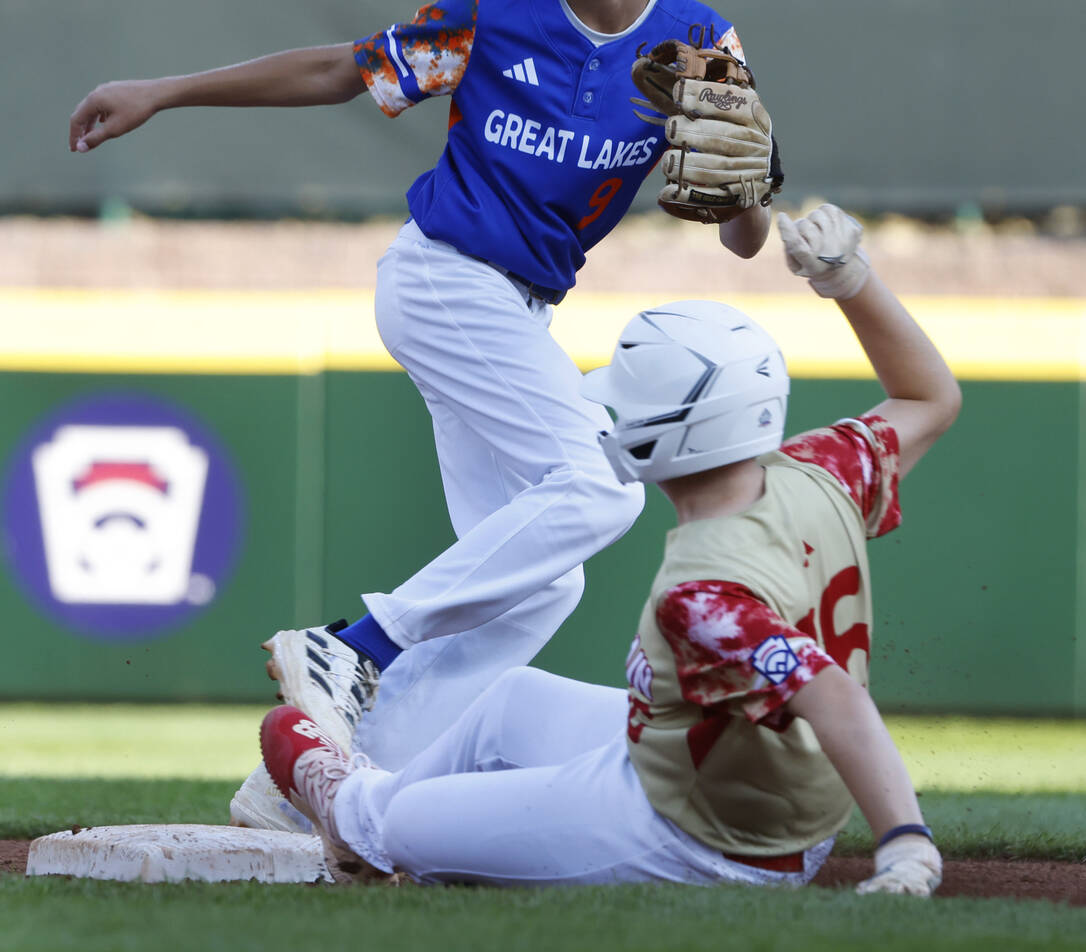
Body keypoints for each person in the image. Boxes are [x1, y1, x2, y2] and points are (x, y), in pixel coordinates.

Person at [68, 0, 780, 813]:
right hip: (445, 278)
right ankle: (351, 645)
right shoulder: (493, 12)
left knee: (540, 581)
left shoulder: (695, 48)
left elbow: (742, 233)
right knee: (603, 488)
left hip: (516, 312)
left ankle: (305, 787)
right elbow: (340, 70)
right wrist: (166, 90)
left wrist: (749, 195)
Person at [258, 203, 961, 894]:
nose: (612, 418)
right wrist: (850, 280)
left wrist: (906, 845)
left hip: (710, 836)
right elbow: (930, 397)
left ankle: (357, 811)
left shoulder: (703, 593)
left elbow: (832, 696)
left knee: (400, 827)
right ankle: (395, 784)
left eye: (627, 405)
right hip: (726, 767)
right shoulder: (823, 471)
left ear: (673, 432)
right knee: (511, 703)